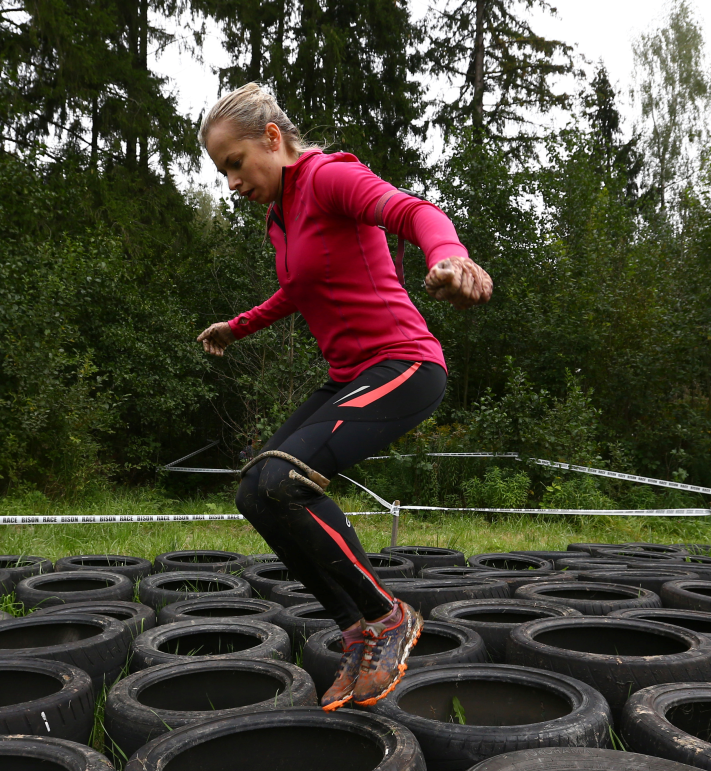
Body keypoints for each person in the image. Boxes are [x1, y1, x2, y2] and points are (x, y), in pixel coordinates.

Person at [196, 83, 492, 712]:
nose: (230, 182)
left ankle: (390, 617)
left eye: (234, 163)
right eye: (222, 171)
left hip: (404, 365)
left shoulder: (328, 177)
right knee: (256, 491)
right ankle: (356, 629)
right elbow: (296, 292)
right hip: (348, 376)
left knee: (284, 479)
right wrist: (238, 326)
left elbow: (414, 212)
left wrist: (450, 257)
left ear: (272, 139)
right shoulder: (281, 217)